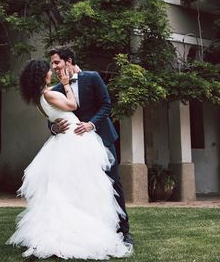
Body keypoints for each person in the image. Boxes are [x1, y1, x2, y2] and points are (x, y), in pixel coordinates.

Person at [7, 58, 132, 260]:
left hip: (71, 141)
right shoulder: (50, 92)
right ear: (42, 75)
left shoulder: (41, 97)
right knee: (85, 186)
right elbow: (72, 106)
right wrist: (65, 85)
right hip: (74, 141)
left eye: (55, 64)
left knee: (75, 187)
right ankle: (77, 235)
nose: (52, 70)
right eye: (49, 68)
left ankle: (111, 229)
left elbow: (100, 106)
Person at [48, 47, 132, 244]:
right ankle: (90, 230)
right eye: (52, 63)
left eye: (56, 62)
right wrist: (55, 128)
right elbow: (52, 118)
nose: (54, 66)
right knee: (84, 186)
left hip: (102, 138)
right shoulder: (57, 90)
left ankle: (123, 231)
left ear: (68, 61)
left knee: (113, 181)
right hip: (76, 146)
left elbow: (106, 105)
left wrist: (90, 124)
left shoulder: (92, 77)